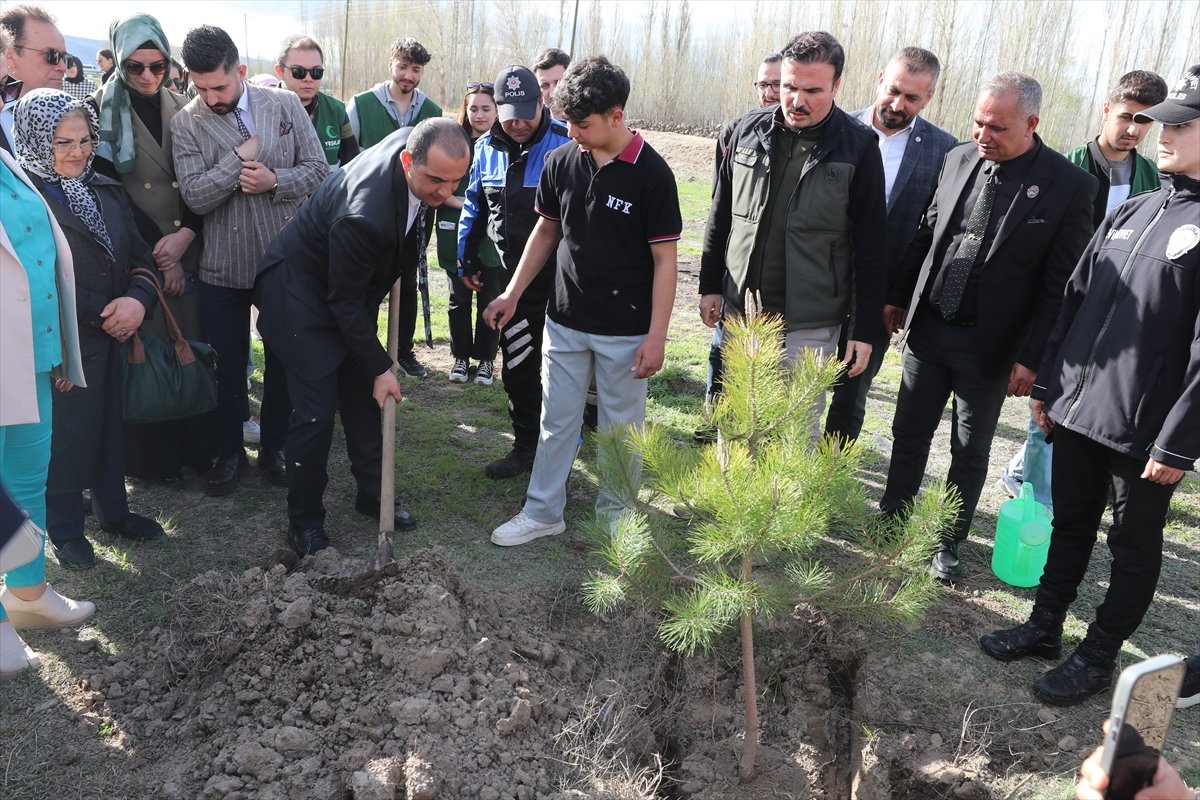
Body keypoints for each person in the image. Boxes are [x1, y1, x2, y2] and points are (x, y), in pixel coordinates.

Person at [979, 67, 1199, 706]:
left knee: (1131, 546)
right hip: (1076, 408)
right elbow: (1074, 303)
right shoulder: (1135, 209)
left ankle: (1098, 654)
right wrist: (1050, 385)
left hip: (1144, 431)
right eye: (1163, 120)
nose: (1161, 133)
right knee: (1069, 523)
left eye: (1181, 124)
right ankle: (1045, 626)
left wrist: (1178, 442)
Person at [878, 71, 1097, 582]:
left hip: (991, 347)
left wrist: (1034, 357)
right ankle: (893, 521)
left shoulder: (1069, 187)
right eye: (978, 123)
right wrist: (897, 299)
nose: (983, 136)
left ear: (1032, 123)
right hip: (930, 330)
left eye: (996, 128)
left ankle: (946, 540)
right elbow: (929, 234)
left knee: (969, 449)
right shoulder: (957, 159)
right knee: (908, 432)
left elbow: (1059, 286)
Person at [485, 56, 681, 546]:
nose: (571, 131)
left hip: (627, 330)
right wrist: (512, 292)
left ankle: (617, 517)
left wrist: (657, 337)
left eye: (583, 124)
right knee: (556, 424)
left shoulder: (652, 175)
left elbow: (665, 262)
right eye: (567, 120)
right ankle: (543, 511)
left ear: (617, 115)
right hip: (565, 320)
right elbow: (546, 230)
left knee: (619, 432)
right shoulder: (561, 161)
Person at [254, 118, 471, 555]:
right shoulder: (365, 215)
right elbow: (345, 305)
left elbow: (351, 301)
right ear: (408, 160)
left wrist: (371, 371)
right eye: (435, 180)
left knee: (363, 398)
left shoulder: (415, 139)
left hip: (341, 288)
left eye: (455, 181)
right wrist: (380, 367)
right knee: (315, 414)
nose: (445, 193)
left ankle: (373, 495)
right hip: (297, 296)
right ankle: (305, 523)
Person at [14, 88, 169, 570]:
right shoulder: (25, 201)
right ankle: (65, 530)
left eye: (84, 139)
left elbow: (143, 257)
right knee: (65, 437)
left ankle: (114, 513)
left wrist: (138, 302)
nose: (77, 152)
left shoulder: (104, 187)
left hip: (117, 333)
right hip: (63, 342)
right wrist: (110, 310)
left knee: (108, 428)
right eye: (62, 142)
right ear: (37, 140)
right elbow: (33, 280)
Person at [171, 24, 328, 498]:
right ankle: (228, 452)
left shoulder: (283, 105)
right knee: (225, 362)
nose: (209, 97)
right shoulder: (186, 123)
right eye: (198, 88)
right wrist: (236, 164)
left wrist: (275, 180)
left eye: (218, 85)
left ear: (240, 70)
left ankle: (275, 447)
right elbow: (196, 197)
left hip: (285, 261)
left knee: (282, 357)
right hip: (222, 265)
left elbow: (319, 170)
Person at [998, 70, 1169, 507]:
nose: (1133, 129)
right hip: (1067, 305)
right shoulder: (1068, 166)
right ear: (1107, 108)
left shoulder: (1152, 177)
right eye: (1127, 116)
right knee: (1051, 403)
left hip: (1120, 315)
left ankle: (1022, 472)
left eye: (1145, 122)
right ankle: (1038, 502)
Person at [700, 31, 887, 428]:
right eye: (788, 87)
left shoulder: (859, 148)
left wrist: (863, 330)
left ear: (837, 85)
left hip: (810, 324)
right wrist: (709, 285)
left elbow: (872, 248)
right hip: (741, 314)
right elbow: (721, 216)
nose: (797, 101)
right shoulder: (744, 132)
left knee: (793, 435)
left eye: (813, 90)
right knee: (735, 430)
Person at [0, 26, 93, 681]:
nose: (58, 67)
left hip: (31, 352)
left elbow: (38, 256)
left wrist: (59, 348)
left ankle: (28, 595)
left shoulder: (8, 155)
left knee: (29, 478)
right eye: (48, 55)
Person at [91, 12, 214, 488]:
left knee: (191, 343)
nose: (147, 76)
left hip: (187, 245)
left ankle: (200, 451)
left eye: (158, 66)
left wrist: (184, 242)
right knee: (149, 350)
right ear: (119, 62)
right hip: (137, 254)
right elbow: (109, 190)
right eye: (135, 66)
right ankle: (153, 462)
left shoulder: (186, 106)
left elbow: (200, 183)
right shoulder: (99, 112)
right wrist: (160, 258)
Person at [824, 47, 958, 443]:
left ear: (929, 97)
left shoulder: (943, 150)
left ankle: (829, 472)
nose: (897, 104)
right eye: (894, 90)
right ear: (880, 78)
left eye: (912, 98)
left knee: (852, 390)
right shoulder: (837, 130)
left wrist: (899, 298)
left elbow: (929, 233)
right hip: (817, 283)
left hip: (880, 295)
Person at [458, 66, 572, 478]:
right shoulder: (486, 147)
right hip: (513, 285)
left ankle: (560, 455)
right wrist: (465, 260)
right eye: (511, 114)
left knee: (563, 374)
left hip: (564, 286)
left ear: (541, 102)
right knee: (519, 366)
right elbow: (474, 204)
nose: (518, 123)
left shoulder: (567, 143)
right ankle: (525, 449)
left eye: (527, 112)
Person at [696, 52, 783, 443]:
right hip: (735, 275)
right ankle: (712, 421)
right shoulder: (737, 131)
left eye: (777, 84)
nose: (769, 92)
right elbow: (721, 208)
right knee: (721, 354)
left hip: (782, 285)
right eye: (763, 83)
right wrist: (711, 281)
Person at [347, 36, 442, 380]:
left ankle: (402, 350)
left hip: (416, 211)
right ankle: (363, 351)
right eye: (403, 66)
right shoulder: (361, 105)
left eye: (415, 69)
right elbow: (349, 159)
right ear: (391, 63)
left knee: (409, 274)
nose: (408, 75)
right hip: (371, 211)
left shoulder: (430, 112)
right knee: (366, 279)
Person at [441, 80, 501, 385]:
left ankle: (487, 361)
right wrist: (463, 204)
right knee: (459, 299)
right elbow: (439, 188)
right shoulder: (453, 142)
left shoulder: (505, 146)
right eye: (473, 108)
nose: (479, 114)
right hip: (456, 231)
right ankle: (461, 358)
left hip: (494, 237)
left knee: (491, 298)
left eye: (486, 108)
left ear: (497, 110)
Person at [273, 34, 359, 168]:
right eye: (298, 71)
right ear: (280, 71)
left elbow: (353, 162)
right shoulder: (260, 109)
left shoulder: (336, 110)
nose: (308, 78)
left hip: (329, 189)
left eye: (316, 72)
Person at [0, 3, 67, 149]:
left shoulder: (69, 116)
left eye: (65, 57)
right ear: (10, 57)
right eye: (52, 56)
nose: (63, 66)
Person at [532, 47, 570, 115]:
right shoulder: (532, 123)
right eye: (544, 85)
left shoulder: (591, 121)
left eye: (558, 83)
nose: (552, 94)